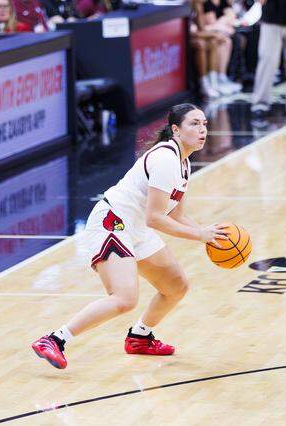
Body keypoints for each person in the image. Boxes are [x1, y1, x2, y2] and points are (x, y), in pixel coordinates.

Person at [31, 104, 230, 369]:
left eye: (204, 123)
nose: (202, 129)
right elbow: (155, 218)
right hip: (113, 223)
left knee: (176, 286)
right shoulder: (165, 158)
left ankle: (140, 337)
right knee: (124, 298)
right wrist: (198, 236)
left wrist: (209, 233)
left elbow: (177, 215)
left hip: (135, 228)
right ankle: (54, 339)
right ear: (175, 130)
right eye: (194, 124)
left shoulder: (184, 164)